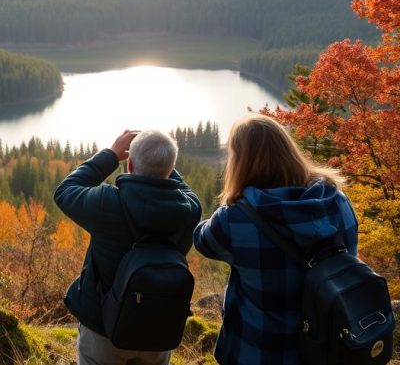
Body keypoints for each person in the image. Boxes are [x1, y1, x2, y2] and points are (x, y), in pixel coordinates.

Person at [193, 114, 358, 365]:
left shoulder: (234, 218)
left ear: (240, 161)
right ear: (288, 149)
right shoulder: (336, 200)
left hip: (260, 351)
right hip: (327, 346)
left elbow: (202, 240)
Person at [55, 129, 202, 365]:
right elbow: (179, 185)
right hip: (158, 327)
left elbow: (65, 191)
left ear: (130, 164)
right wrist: (160, 160)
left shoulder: (107, 203)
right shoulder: (189, 209)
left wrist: (112, 154)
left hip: (103, 330)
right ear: (172, 165)